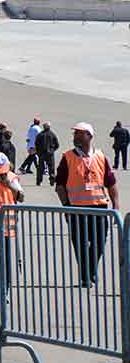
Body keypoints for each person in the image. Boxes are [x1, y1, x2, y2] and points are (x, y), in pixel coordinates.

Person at [52, 122, 119, 287]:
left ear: (89, 135)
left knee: (99, 242)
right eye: (75, 133)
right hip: (76, 208)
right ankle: (85, 276)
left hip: (99, 207)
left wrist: (116, 208)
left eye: (79, 133)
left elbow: (111, 183)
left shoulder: (101, 157)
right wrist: (66, 206)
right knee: (80, 243)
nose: (75, 136)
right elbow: (59, 185)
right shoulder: (68, 157)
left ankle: (91, 268)